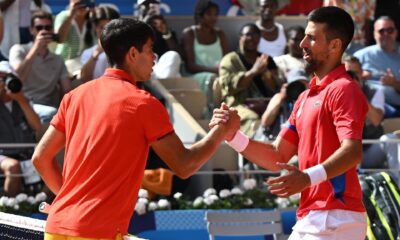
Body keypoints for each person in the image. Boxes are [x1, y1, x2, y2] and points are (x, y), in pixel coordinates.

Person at [32, 18, 239, 239]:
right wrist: (220, 131)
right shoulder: (144, 104)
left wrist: (70, 201)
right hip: (97, 232)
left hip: (56, 227)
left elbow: (40, 158)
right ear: (132, 54)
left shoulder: (74, 96)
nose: (154, 58)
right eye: (150, 50)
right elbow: (185, 166)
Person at [211, 6, 368, 239]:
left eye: (312, 38)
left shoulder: (344, 89)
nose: (302, 43)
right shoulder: (305, 97)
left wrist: (306, 178)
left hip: (336, 216)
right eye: (304, 35)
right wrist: (233, 135)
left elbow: (352, 152)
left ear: (335, 46)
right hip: (316, 216)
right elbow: (277, 156)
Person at [9, 10, 72, 123]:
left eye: (47, 28)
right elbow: (16, 78)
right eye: (39, 28)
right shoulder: (19, 49)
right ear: (31, 29)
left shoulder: (58, 59)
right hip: (24, 105)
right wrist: (35, 49)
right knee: (50, 114)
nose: (43, 31)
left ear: (52, 31)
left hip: (50, 107)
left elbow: (66, 90)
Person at [218, 23, 279, 137]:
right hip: (239, 105)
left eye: (255, 35)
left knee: (283, 116)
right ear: (240, 37)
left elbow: (276, 87)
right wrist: (253, 71)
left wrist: (266, 74)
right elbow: (229, 88)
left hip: (267, 104)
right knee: (253, 120)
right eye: (247, 35)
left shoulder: (266, 59)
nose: (251, 38)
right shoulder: (230, 60)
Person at [344, 56, 400, 176]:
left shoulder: (374, 91)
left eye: (356, 73)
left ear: (362, 74)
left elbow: (376, 120)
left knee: (390, 139)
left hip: (368, 152)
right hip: (344, 155)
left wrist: (358, 93)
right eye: (349, 73)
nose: (352, 77)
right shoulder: (333, 92)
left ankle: (397, 185)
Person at [0, 61, 41, 197]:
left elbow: (37, 127)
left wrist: (21, 100)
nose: (5, 83)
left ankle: (38, 206)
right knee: (13, 167)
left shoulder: (24, 100)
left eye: (8, 78)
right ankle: (8, 210)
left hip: (26, 152)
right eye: (1, 78)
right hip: (3, 154)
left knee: (53, 163)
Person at [354, 16, 400, 117]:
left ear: (396, 32)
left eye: (390, 30)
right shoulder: (360, 56)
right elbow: (345, 79)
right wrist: (359, 76)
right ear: (374, 34)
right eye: (381, 31)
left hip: (395, 107)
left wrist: (394, 83)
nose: (386, 34)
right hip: (369, 105)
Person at [181, 0, 229, 92]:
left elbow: (227, 59)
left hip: (220, 75)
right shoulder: (189, 33)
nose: (214, 18)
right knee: (213, 79)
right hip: (198, 76)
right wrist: (215, 71)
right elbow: (190, 66)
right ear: (200, 15)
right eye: (209, 14)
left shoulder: (220, 34)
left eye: (216, 14)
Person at [257, 68, 309, 141]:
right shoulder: (279, 98)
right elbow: (265, 122)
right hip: (275, 140)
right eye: (295, 86)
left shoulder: (310, 102)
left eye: (301, 85)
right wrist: (281, 97)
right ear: (288, 86)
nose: (298, 89)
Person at [79, 6, 120, 83]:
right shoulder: (88, 53)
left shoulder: (125, 50)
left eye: (110, 27)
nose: (106, 32)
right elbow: (84, 79)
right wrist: (95, 55)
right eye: (102, 27)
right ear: (95, 28)